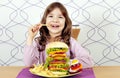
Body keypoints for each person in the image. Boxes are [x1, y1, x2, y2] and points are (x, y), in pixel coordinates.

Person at [23, 2, 94, 68]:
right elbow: (29, 63)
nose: (55, 20)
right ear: (45, 21)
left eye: (60, 17)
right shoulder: (39, 42)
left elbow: (88, 61)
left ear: (65, 22)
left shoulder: (70, 41)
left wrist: (67, 63)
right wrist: (30, 37)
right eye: (51, 16)